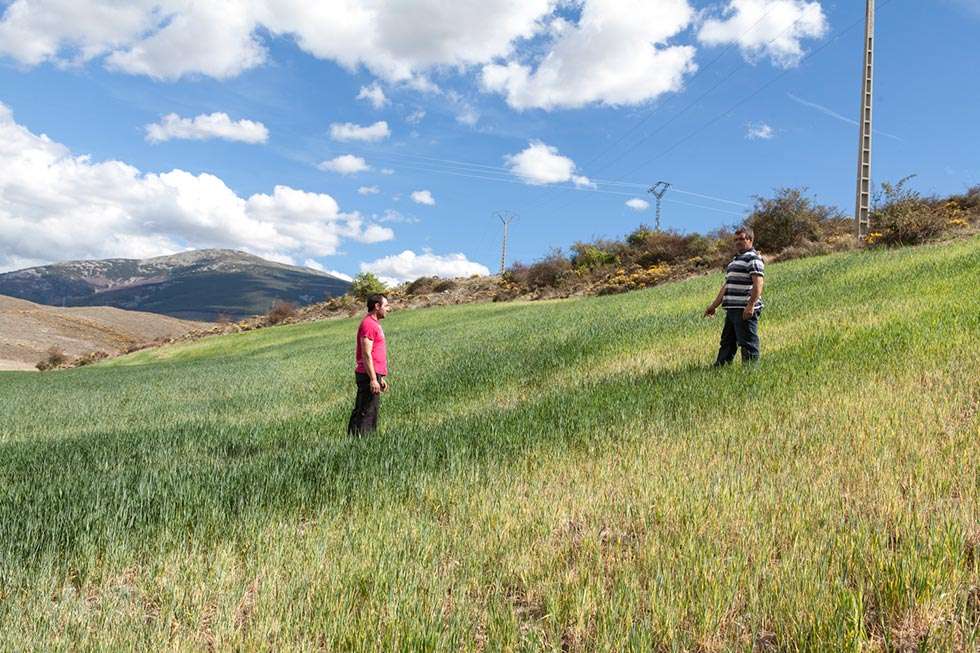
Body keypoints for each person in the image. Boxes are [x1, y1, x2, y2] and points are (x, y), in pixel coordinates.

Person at [703, 227, 765, 365]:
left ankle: (750, 372)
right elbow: (727, 286)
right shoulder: (735, 260)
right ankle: (720, 369)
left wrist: (750, 306)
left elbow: (758, 284)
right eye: (735, 240)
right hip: (732, 309)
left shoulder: (753, 258)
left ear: (750, 239)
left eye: (741, 239)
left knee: (748, 342)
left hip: (744, 308)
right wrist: (713, 306)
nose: (737, 242)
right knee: (727, 342)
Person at [347, 294, 389, 435]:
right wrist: (372, 379)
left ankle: (356, 440)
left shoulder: (373, 323)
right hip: (367, 374)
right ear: (377, 306)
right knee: (367, 410)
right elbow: (366, 354)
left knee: (368, 408)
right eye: (386, 306)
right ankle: (362, 442)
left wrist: (379, 377)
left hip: (371, 373)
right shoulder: (369, 324)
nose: (388, 309)